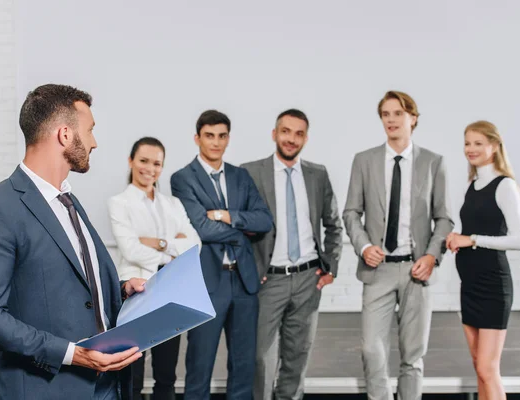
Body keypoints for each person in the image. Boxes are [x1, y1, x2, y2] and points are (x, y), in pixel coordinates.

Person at [0, 84, 144, 400]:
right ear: (64, 135)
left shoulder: (69, 201)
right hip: (48, 388)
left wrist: (119, 288)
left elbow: (61, 284)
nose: (94, 142)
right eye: (89, 131)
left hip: (106, 386)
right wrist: (75, 354)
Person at [343, 91, 454, 400]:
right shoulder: (364, 161)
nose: (390, 120)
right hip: (377, 270)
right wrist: (364, 246)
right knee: (371, 350)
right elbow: (351, 212)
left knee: (412, 355)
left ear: (413, 118)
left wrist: (431, 257)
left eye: (397, 113)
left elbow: (443, 219)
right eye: (385, 114)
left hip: (416, 270)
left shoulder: (434, 162)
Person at [170, 110, 273, 400]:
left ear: (228, 138)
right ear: (197, 138)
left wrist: (227, 216)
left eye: (222, 136)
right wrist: (241, 231)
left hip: (244, 282)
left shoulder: (241, 176)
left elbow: (264, 220)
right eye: (209, 135)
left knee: (243, 367)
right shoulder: (183, 178)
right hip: (207, 283)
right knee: (199, 364)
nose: (216, 142)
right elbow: (202, 228)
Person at [241, 109, 343, 400]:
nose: (291, 139)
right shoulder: (250, 172)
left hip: (308, 279)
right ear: (274, 134)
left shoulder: (318, 174)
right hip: (269, 280)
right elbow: (241, 228)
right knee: (261, 359)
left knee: (297, 358)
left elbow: (333, 225)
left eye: (299, 134)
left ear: (305, 138)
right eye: (286, 131)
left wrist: (331, 265)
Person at [107, 136, 201, 400]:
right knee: (132, 374)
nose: (150, 168)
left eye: (157, 163)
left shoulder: (173, 204)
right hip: (136, 293)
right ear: (131, 161)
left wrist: (159, 243)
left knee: (166, 375)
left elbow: (195, 245)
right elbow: (130, 249)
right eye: (144, 161)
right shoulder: (118, 202)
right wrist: (172, 252)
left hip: (170, 294)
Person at [446, 121, 520, 400]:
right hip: (469, 285)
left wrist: (473, 239)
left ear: (494, 147)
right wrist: (457, 236)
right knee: (479, 369)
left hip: (493, 287)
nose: (471, 149)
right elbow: (473, 230)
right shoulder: (472, 185)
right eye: (467, 143)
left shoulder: (504, 185)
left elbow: (519, 240)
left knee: (487, 368)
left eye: (478, 143)